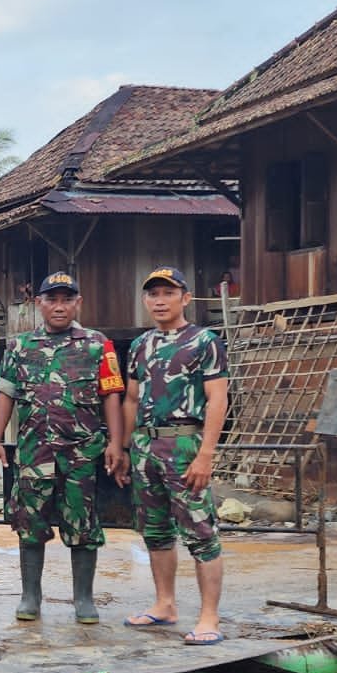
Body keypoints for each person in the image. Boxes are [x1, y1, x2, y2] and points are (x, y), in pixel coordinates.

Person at [0, 272, 127, 624]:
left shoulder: (98, 345)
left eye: (67, 299)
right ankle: (30, 596)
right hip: (35, 453)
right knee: (28, 521)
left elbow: (112, 396)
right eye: (52, 299)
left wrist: (116, 443)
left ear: (78, 303)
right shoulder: (20, 347)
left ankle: (83, 599)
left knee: (82, 522)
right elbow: (6, 395)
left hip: (81, 454)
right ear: (40, 304)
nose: (59, 306)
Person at [121, 266, 230, 645]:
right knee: (155, 531)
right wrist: (123, 448)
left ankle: (209, 617)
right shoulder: (139, 345)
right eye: (153, 294)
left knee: (201, 532)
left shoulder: (204, 341)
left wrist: (206, 453)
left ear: (185, 298)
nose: (160, 300)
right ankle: (164, 604)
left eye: (168, 293)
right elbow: (131, 399)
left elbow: (218, 398)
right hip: (145, 446)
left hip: (185, 443)